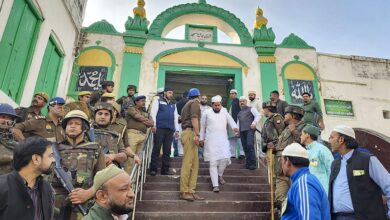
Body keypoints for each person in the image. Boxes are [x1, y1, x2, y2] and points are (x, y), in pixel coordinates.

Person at [49, 110, 106, 220]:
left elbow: (102, 179)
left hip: (84, 204)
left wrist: (89, 193)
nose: (72, 126)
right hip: (55, 204)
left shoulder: (94, 149)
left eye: (77, 123)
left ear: (84, 127)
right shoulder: (54, 149)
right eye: (70, 124)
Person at [328, 125, 390, 220]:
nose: (329, 141)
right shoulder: (334, 164)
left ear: (341, 139)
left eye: (332, 137)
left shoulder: (367, 160)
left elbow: (388, 186)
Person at [0, 137, 55, 220]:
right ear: (36, 159)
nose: (53, 160)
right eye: (50, 156)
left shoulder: (46, 188)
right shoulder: (2, 186)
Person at [280, 143, 330, 220]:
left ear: (287, 161)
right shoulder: (303, 181)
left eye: (282, 160)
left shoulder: (304, 183)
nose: (281, 165)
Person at [200, 95, 239, 192]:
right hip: (211, 141)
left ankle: (220, 175)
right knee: (213, 163)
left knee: (225, 159)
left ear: (221, 104)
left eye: (219, 105)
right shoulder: (206, 113)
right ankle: (215, 185)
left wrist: (235, 128)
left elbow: (231, 121)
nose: (217, 107)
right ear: (212, 105)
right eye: (215, 105)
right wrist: (201, 138)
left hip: (223, 140)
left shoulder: (224, 111)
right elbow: (202, 127)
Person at [274, 105, 306, 209]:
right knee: (280, 201)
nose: (284, 115)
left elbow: (306, 144)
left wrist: (294, 131)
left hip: (294, 171)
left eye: (286, 114)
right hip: (281, 171)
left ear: (293, 116)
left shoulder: (304, 127)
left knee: (296, 200)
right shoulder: (285, 129)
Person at [179, 88, 204, 201]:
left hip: (188, 132)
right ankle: (184, 191)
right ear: (198, 96)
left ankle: (191, 190)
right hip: (190, 133)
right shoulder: (194, 103)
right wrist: (198, 134)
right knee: (188, 164)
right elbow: (194, 118)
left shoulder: (186, 104)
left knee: (194, 164)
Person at [150, 88, 179, 176]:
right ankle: (153, 169)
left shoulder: (173, 105)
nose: (171, 94)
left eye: (172, 93)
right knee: (157, 148)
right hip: (160, 128)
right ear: (165, 93)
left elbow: (175, 118)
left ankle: (165, 170)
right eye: (170, 92)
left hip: (170, 130)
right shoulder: (158, 101)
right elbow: (153, 113)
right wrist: (154, 125)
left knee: (167, 150)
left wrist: (177, 130)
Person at [124, 95, 154, 173]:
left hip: (142, 136)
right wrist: (146, 121)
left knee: (138, 160)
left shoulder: (145, 112)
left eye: (144, 101)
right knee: (130, 160)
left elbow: (152, 123)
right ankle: (127, 182)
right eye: (142, 101)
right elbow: (137, 117)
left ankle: (133, 182)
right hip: (132, 135)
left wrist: (145, 121)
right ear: (136, 102)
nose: (144, 102)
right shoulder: (131, 108)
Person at [300, 124, 333, 195]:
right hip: (309, 190)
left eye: (302, 134)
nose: (300, 137)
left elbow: (331, 169)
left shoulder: (322, 149)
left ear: (307, 135)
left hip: (322, 191)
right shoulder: (305, 152)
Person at [93, 102, 127, 167]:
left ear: (111, 117)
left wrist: (113, 156)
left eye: (106, 114)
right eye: (100, 114)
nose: (103, 117)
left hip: (110, 170)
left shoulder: (116, 136)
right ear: (95, 116)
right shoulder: (85, 133)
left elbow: (124, 156)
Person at [110, 102, 141, 169]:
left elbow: (125, 146)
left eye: (110, 110)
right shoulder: (93, 125)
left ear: (115, 112)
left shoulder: (121, 126)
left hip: (113, 162)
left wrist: (134, 156)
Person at [237, 96, 261, 170]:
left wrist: (254, 123)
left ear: (246, 102)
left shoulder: (251, 109)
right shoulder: (239, 113)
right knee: (245, 147)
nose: (242, 103)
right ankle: (248, 163)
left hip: (250, 130)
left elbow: (258, 115)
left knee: (250, 145)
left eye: (243, 101)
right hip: (242, 131)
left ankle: (253, 163)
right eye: (240, 101)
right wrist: (237, 131)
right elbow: (238, 122)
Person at [0, 103, 19, 175]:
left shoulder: (14, 142)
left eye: (9, 118)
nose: (6, 121)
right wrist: (12, 157)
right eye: (3, 117)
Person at [229, 89, 245, 159]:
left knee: (240, 139)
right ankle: (232, 154)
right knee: (232, 139)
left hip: (238, 123)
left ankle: (242, 154)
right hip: (232, 124)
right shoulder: (232, 103)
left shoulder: (239, 101)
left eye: (233, 93)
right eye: (231, 94)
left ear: (236, 94)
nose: (232, 95)